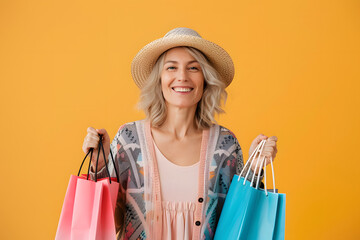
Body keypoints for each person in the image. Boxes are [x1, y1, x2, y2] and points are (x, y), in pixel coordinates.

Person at [82, 27, 278, 240]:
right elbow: (108, 223)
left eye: (193, 68)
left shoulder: (226, 146)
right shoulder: (128, 141)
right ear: (159, 78)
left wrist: (254, 170)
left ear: (205, 79)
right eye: (172, 67)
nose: (182, 77)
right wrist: (98, 167)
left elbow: (238, 224)